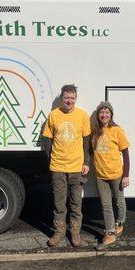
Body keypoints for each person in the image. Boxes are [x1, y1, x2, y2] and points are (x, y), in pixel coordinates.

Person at [42, 84, 91, 247]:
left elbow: (86, 142)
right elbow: (47, 140)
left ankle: (75, 234)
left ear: (75, 99)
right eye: (66, 98)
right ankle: (59, 232)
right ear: (61, 99)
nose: (69, 101)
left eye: (72, 98)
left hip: (77, 167)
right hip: (58, 167)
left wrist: (86, 162)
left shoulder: (82, 116)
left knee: (76, 203)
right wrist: (51, 159)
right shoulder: (53, 115)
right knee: (59, 202)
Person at [92, 101, 130, 250]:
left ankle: (120, 223)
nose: (104, 115)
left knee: (119, 201)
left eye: (107, 112)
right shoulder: (95, 132)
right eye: (101, 112)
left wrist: (126, 175)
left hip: (116, 174)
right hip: (100, 175)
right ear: (98, 115)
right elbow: (91, 151)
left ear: (111, 114)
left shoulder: (117, 130)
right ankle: (109, 233)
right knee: (106, 205)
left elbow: (126, 154)